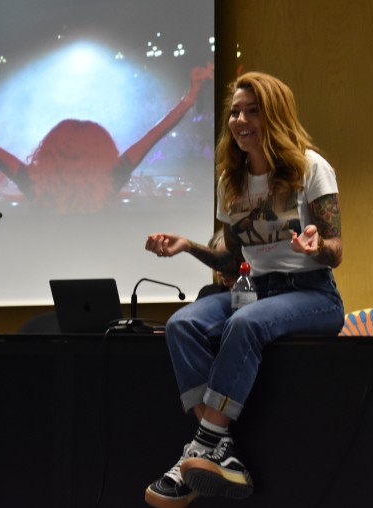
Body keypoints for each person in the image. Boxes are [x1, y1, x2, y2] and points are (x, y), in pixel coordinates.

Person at [143, 71, 344, 507]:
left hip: (313, 295)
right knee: (181, 325)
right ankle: (222, 450)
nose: (240, 120)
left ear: (275, 115)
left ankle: (198, 449)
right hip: (256, 290)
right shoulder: (230, 182)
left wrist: (317, 246)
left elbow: (336, 250)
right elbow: (231, 261)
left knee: (245, 323)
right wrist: (187, 246)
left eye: (252, 111)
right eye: (235, 112)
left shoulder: (310, 168)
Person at [0, 63, 214, 214]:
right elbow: (155, 134)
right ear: (101, 150)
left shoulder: (33, 183)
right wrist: (191, 95)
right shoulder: (111, 178)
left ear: (51, 148)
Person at [196, 228, 236, 300]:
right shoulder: (207, 293)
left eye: (225, 263)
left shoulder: (256, 296)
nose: (218, 272)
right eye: (215, 263)